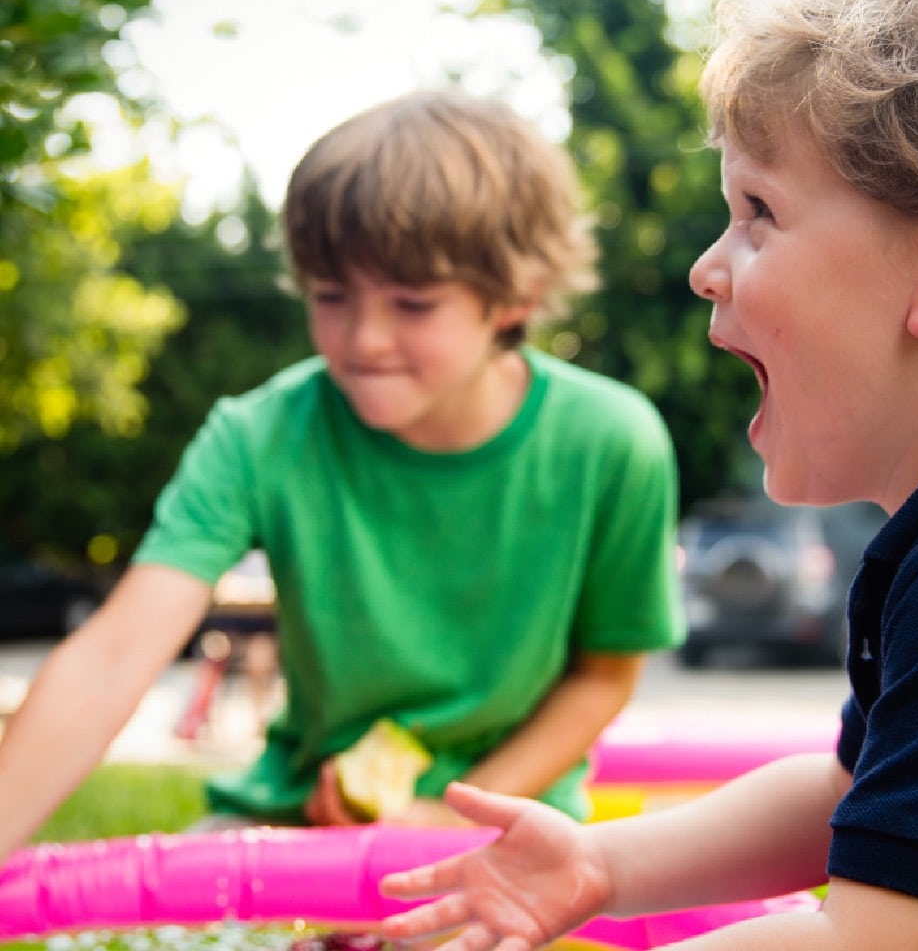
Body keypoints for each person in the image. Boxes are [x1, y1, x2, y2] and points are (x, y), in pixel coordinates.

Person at [379, 0, 918, 951]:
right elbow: (855, 793)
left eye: (759, 212)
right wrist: (601, 865)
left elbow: (875, 943)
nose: (709, 268)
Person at [0, 88, 683, 857]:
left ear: (515, 296)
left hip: (510, 828)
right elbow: (110, 660)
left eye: (414, 304)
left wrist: (461, 812)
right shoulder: (258, 435)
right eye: (331, 297)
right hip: (294, 820)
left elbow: (604, 674)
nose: (365, 339)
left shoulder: (613, 441)